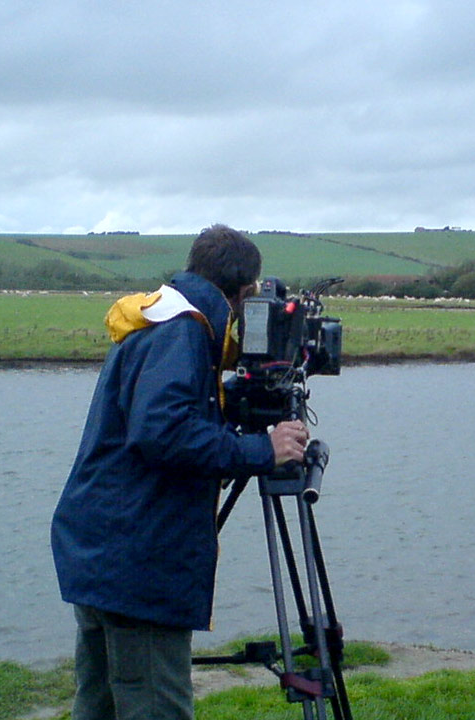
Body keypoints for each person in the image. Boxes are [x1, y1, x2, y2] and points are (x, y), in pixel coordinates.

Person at [50, 224, 309, 720]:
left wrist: (228, 401)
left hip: (104, 547)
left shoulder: (161, 317)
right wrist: (262, 450)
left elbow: (158, 412)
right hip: (137, 559)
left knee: (100, 705)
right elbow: (162, 433)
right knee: (156, 708)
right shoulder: (184, 331)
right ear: (243, 291)